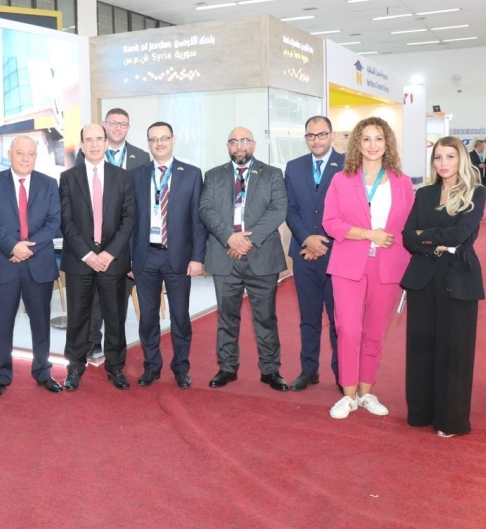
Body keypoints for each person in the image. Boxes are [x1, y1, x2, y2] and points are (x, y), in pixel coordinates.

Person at [322, 117, 413, 419]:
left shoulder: (401, 181)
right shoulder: (342, 179)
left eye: (379, 138)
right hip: (348, 264)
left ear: (387, 143)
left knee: (375, 333)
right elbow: (330, 222)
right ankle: (348, 396)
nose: (373, 145)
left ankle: (365, 393)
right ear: (357, 145)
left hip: (388, 266)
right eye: (366, 139)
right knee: (348, 330)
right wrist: (367, 234)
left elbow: (409, 226)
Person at [401, 136, 485, 437]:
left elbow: (460, 234)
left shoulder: (476, 192)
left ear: (461, 159)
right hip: (423, 278)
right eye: (438, 157)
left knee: (455, 351)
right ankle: (421, 413)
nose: (443, 163)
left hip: (458, 278)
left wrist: (427, 235)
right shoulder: (425, 193)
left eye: (450, 156)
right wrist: (437, 240)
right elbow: (407, 236)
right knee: (421, 348)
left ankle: (450, 420)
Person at [200, 127, 289, 391]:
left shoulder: (273, 174)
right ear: (228, 146)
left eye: (245, 141)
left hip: (261, 255)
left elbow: (278, 209)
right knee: (227, 317)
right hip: (224, 254)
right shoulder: (213, 175)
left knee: (266, 317)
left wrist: (247, 240)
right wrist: (230, 238)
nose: (240, 146)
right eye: (234, 142)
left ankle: (270, 370)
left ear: (254, 144)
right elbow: (206, 209)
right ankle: (227, 368)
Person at [0, 136, 63, 399]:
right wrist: (13, 246)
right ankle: (1, 377)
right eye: (20, 153)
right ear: (9, 154)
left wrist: (28, 247)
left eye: (31, 154)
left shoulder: (49, 184)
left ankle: (43, 372)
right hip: (4, 263)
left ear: (36, 156)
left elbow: (54, 222)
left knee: (41, 323)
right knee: (2, 325)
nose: (26, 158)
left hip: (38, 263)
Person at [130, 122, 206, 389]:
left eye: (164, 138)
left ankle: (181, 367)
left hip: (179, 258)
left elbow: (197, 220)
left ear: (173, 140)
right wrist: (129, 259)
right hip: (145, 257)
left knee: (180, 316)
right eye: (154, 139)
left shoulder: (192, 174)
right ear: (148, 143)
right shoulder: (136, 175)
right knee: (148, 316)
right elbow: (129, 221)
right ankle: (151, 366)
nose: (159, 143)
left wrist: (197, 257)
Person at [60, 123, 135, 391]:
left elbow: (129, 219)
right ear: (81, 145)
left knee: (115, 316)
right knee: (78, 317)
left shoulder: (122, 177)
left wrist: (109, 253)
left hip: (113, 260)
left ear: (106, 143)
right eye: (88, 140)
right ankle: (75, 367)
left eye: (98, 139)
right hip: (79, 260)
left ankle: (115, 366)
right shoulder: (68, 178)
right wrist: (88, 254)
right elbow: (66, 221)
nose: (94, 144)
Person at [76, 108, 149, 357]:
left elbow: (140, 206)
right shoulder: (87, 153)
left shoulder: (141, 157)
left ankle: (115, 351)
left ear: (128, 128)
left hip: (125, 242)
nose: (117, 128)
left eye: (123, 124)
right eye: (113, 123)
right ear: (104, 125)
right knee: (93, 298)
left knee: (118, 301)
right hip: (93, 243)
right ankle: (92, 342)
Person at [284, 116, 344, 393]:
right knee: (308, 318)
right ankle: (309, 371)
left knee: (338, 319)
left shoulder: (348, 165)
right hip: (303, 253)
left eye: (321, 134)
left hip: (337, 255)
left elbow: (351, 211)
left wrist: (324, 243)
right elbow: (290, 209)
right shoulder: (294, 167)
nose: (316, 140)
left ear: (332, 135)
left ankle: (343, 374)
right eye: (311, 135)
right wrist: (307, 239)